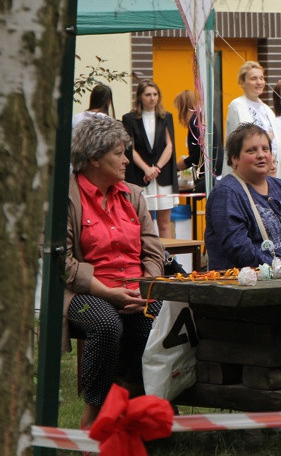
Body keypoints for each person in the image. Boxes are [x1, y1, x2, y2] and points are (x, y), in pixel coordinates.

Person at [64, 116, 163, 429]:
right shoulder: (66, 198)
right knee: (106, 324)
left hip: (136, 289)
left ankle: (128, 399)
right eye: (119, 154)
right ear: (94, 158)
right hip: (86, 292)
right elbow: (63, 262)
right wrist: (108, 292)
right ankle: (93, 412)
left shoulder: (133, 195)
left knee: (161, 320)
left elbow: (154, 252)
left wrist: (144, 290)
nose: (126, 160)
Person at [205, 124, 281, 271]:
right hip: (257, 283)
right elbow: (238, 248)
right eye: (251, 150)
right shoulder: (227, 193)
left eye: (265, 149)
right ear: (234, 158)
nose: (261, 155)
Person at [122, 79, 178, 238]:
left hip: (163, 175)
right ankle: (148, 253)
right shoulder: (129, 119)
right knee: (144, 223)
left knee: (164, 224)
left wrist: (156, 168)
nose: (152, 98)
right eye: (148, 95)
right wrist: (147, 169)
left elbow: (170, 146)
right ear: (140, 97)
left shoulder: (166, 117)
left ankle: (166, 254)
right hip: (140, 176)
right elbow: (130, 148)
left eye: (155, 94)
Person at [225, 61, 281, 178]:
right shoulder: (237, 106)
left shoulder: (267, 110)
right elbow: (236, 142)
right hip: (249, 170)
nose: (259, 82)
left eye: (261, 78)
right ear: (242, 82)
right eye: (253, 78)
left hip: (270, 169)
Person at [173, 90, 222, 193]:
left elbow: (199, 153)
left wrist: (181, 164)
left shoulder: (194, 122)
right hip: (216, 170)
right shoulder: (203, 119)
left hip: (208, 173)